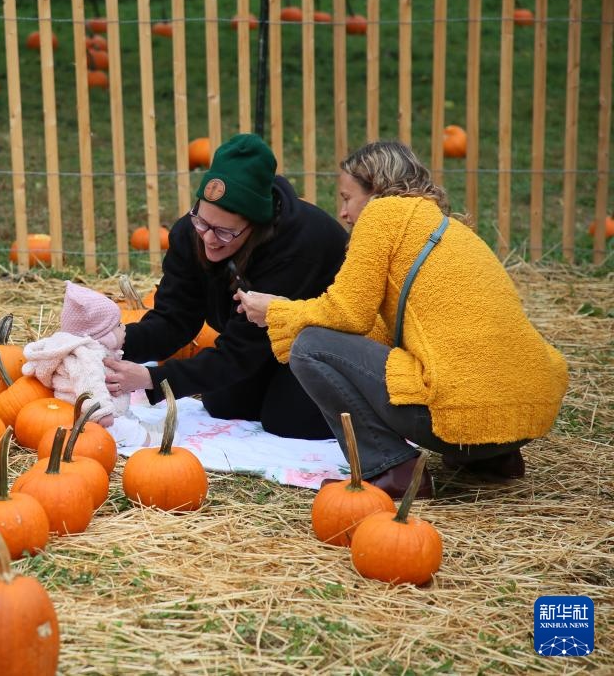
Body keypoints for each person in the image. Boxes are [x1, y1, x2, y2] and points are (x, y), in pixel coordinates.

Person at [235, 140, 568, 498]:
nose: (343, 213)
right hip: (519, 418)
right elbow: (383, 331)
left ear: (376, 189)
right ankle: (493, 459)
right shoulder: (450, 229)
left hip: (454, 419)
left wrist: (278, 311)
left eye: (347, 198)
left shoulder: (384, 214)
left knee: (309, 346)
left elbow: (348, 313)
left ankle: (390, 467)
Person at [103, 133, 350, 439]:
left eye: (223, 232)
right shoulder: (189, 234)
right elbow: (174, 320)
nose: (208, 238)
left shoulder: (298, 246)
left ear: (255, 226)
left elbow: (240, 352)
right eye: (201, 222)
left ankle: (367, 411)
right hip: (262, 341)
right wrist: (116, 342)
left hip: (322, 345)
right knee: (223, 402)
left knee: (286, 420)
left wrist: (152, 378)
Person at [22, 281, 130, 428]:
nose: (124, 327)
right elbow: (90, 385)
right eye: (117, 325)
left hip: (89, 415)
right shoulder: (87, 357)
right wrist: (101, 413)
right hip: (99, 421)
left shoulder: (81, 350)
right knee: (138, 435)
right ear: (103, 335)